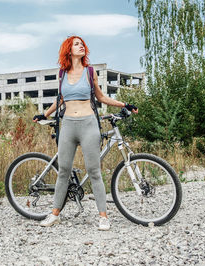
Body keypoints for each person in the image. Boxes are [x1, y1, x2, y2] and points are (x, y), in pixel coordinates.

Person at [33, 35, 138, 231]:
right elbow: (61, 99)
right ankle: (55, 213)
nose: (81, 46)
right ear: (68, 49)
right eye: (76, 44)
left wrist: (125, 104)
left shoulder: (90, 72)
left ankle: (103, 216)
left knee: (94, 171)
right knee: (63, 170)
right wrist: (44, 114)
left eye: (82, 44)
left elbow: (100, 96)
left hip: (88, 124)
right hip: (68, 126)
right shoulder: (62, 73)